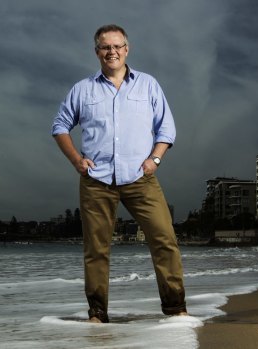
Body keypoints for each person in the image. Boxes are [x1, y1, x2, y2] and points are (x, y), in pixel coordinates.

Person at [51, 24, 187, 323]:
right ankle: (98, 314)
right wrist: (76, 160)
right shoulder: (82, 89)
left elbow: (166, 128)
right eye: (105, 47)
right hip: (96, 182)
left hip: (141, 178)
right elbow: (60, 126)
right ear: (96, 51)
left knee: (165, 240)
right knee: (96, 250)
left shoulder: (148, 85)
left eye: (117, 46)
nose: (111, 51)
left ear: (127, 49)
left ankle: (176, 309)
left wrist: (155, 159)